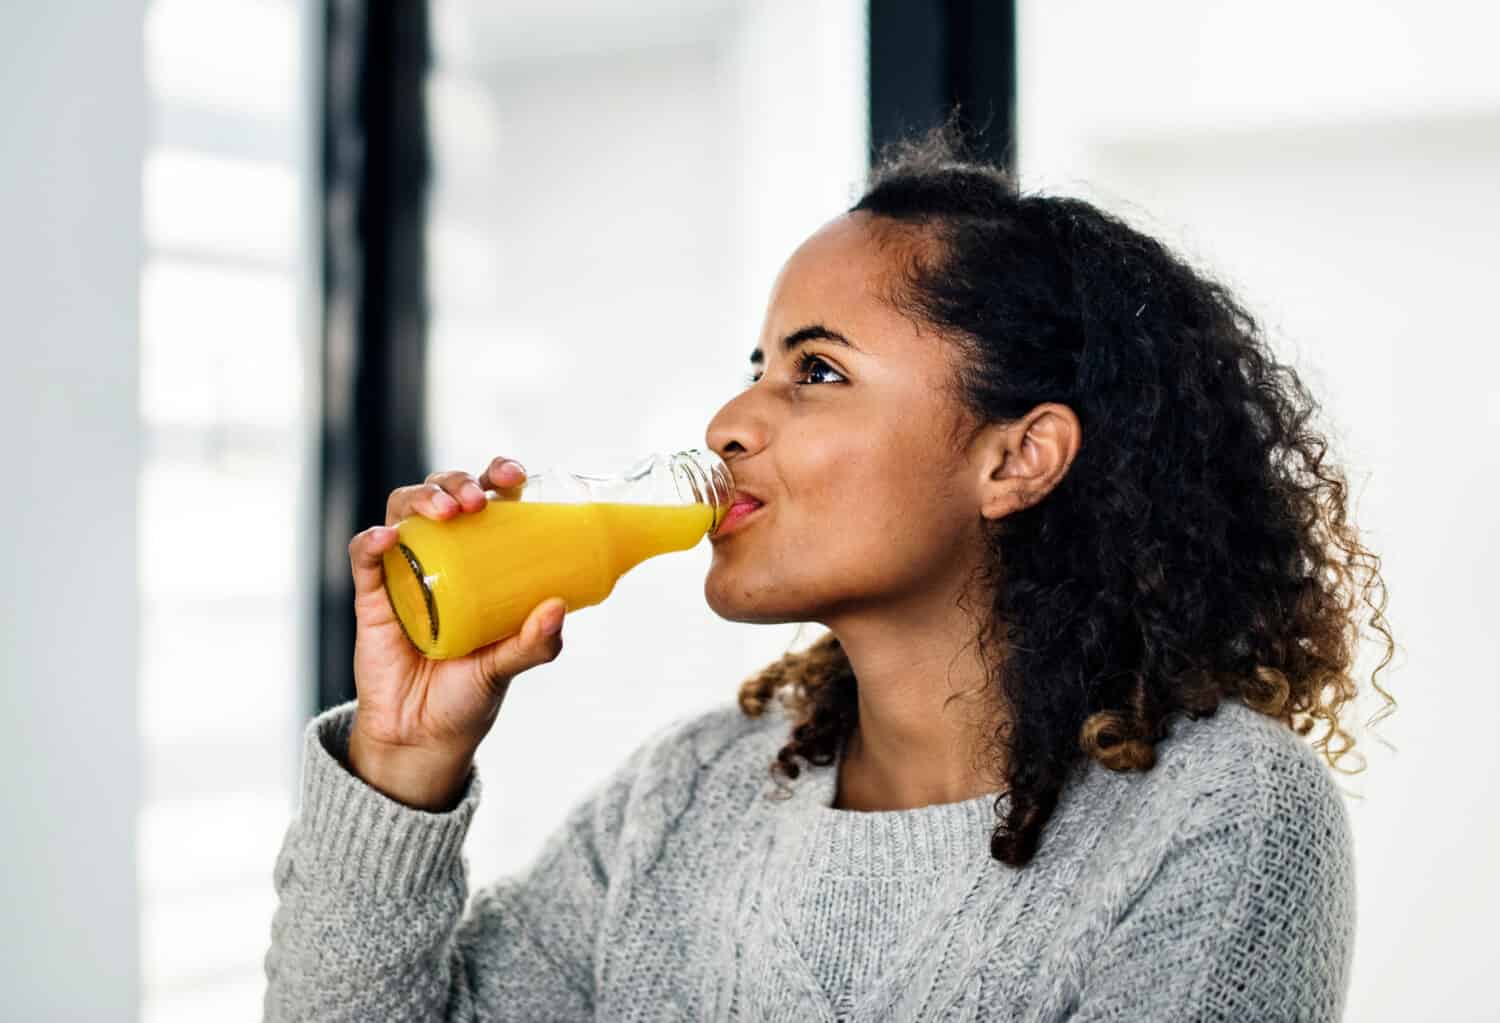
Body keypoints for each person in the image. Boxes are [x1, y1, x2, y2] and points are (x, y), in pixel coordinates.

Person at [262, 120, 1393, 1022]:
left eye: (817, 371)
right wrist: (402, 760)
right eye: (758, 364)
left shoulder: (1217, 818)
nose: (729, 422)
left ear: (1017, 458)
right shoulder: (686, 798)